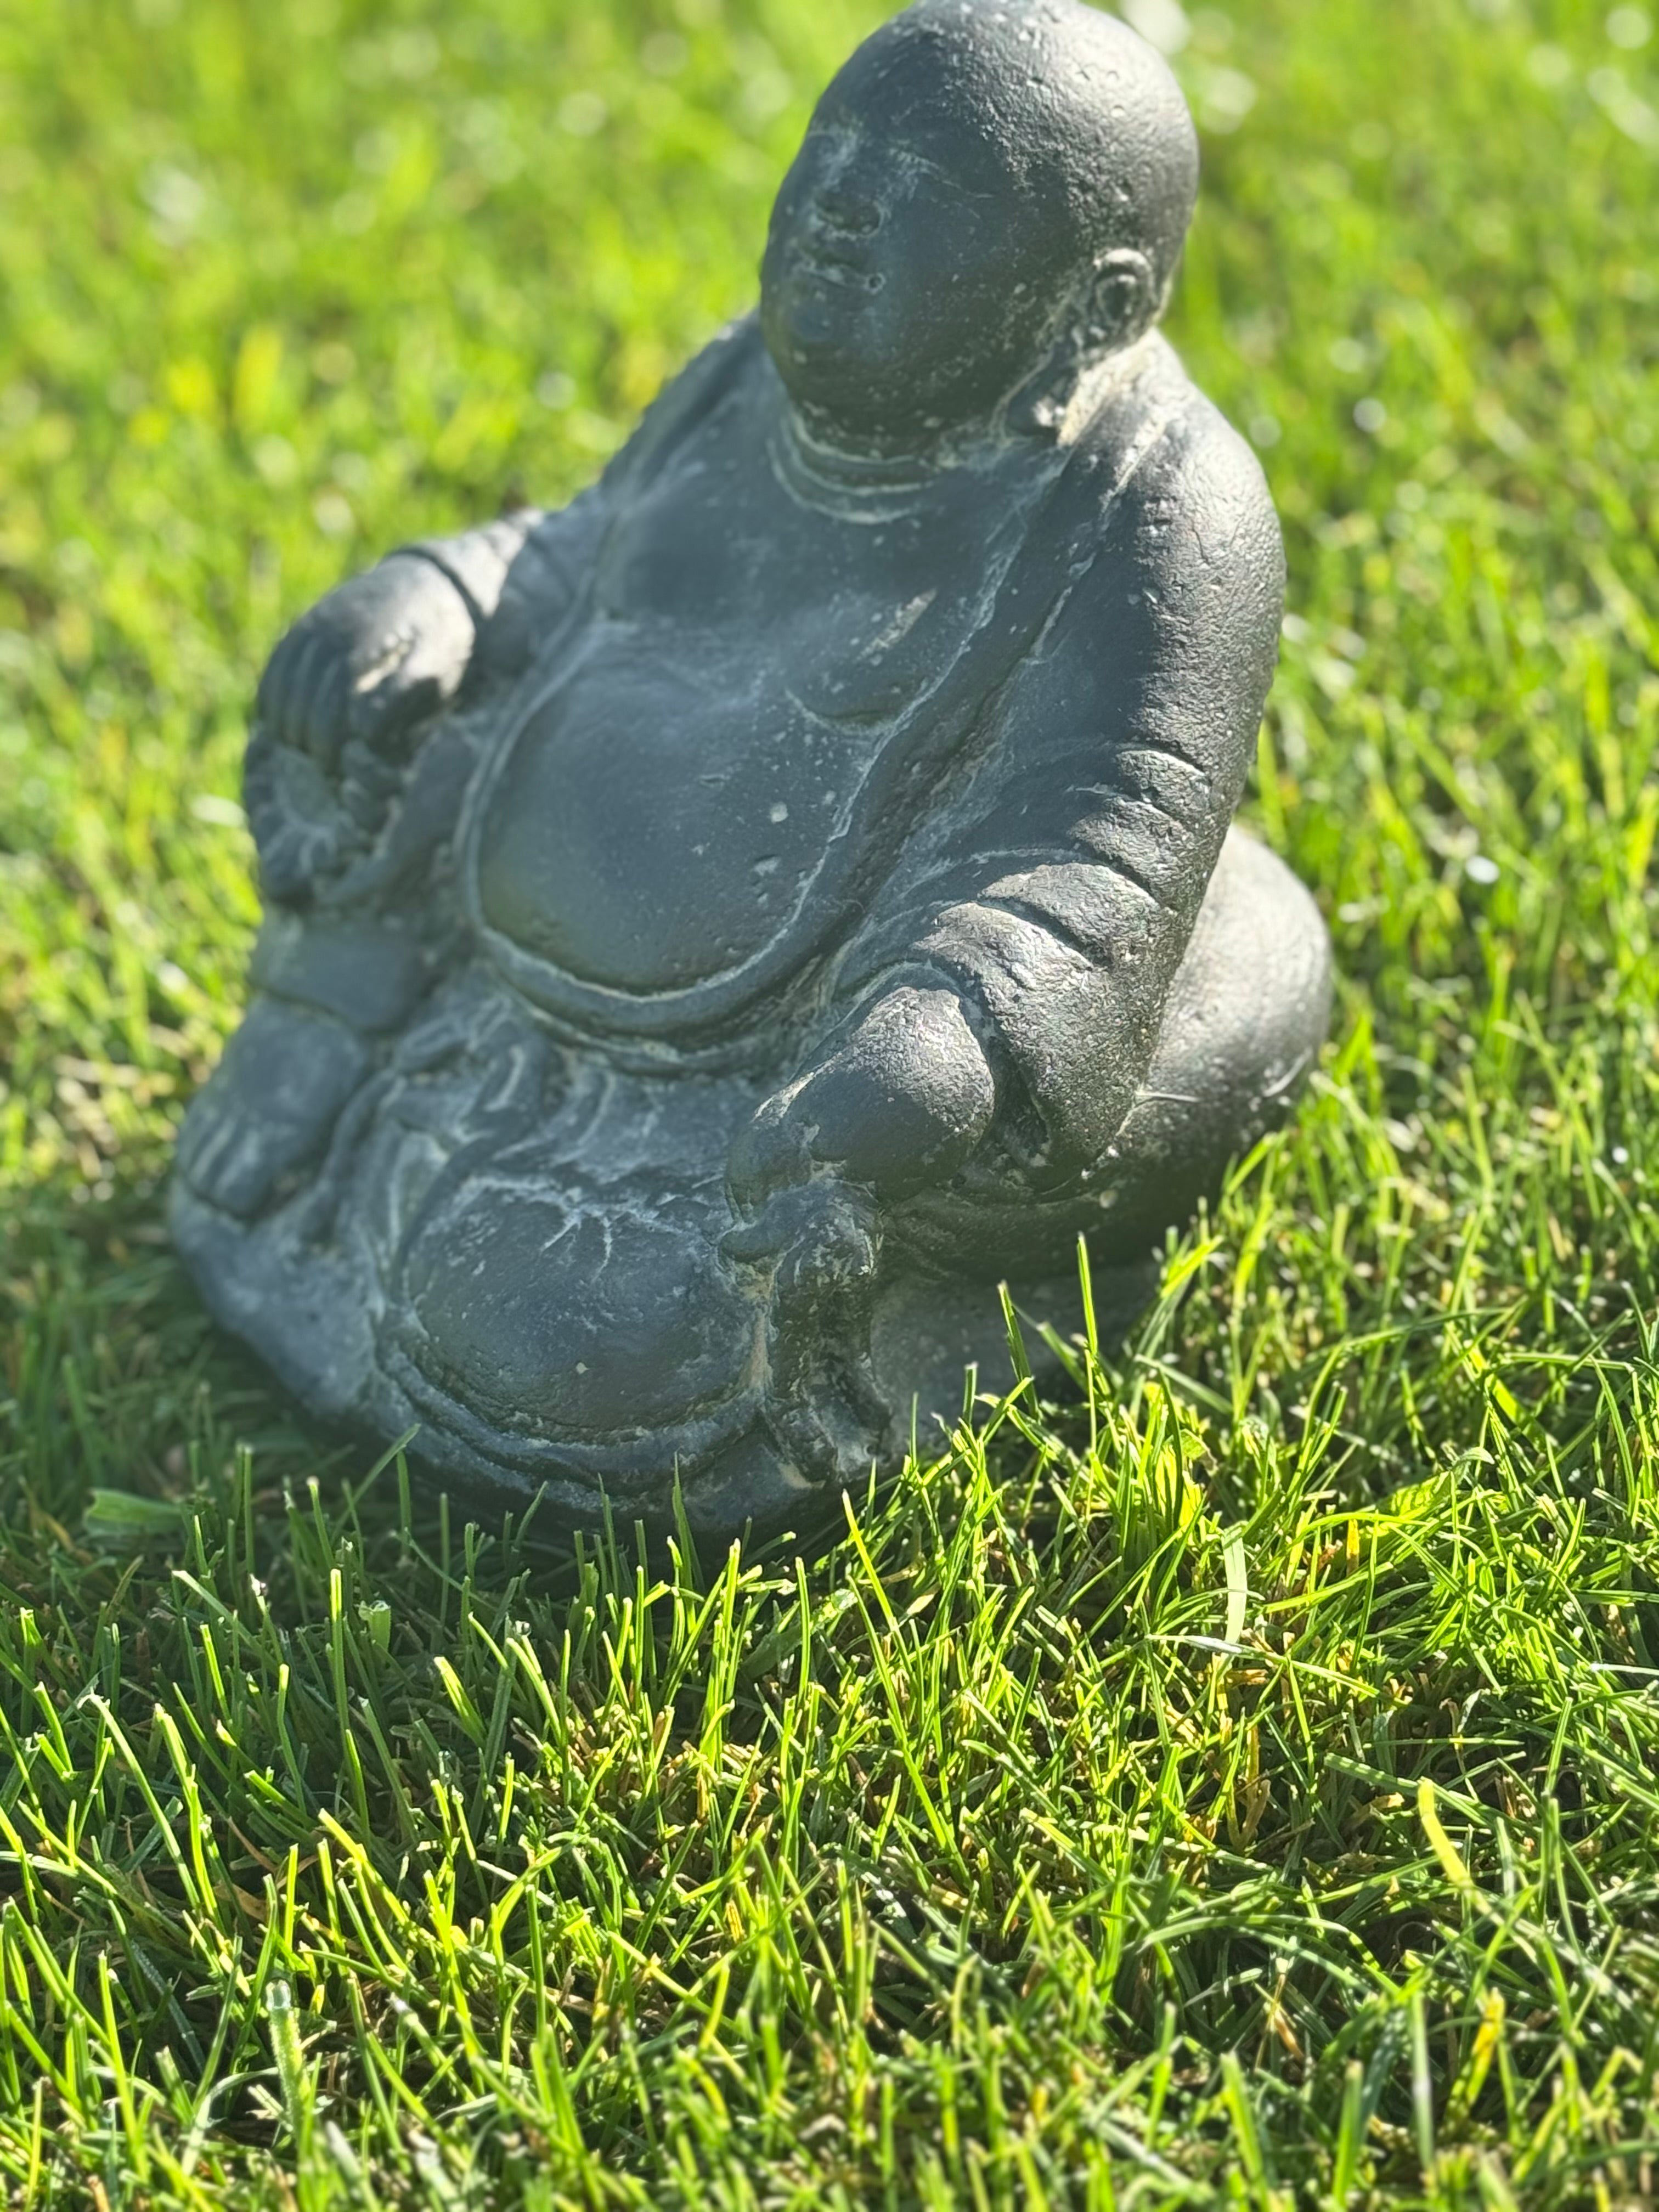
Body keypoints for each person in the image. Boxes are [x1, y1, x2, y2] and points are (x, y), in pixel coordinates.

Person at [173, 0, 1330, 1534]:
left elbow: (1093, 853)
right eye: (829, 153)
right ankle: (344, 1023)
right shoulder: (741, 384)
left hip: (818, 1058)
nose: (839, 206)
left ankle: (611, 1233)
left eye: (924, 187)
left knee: (570, 1338)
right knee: (404, 738)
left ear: (1091, 303)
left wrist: (942, 1047)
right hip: (531, 934)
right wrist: (435, 599)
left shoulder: (1159, 511)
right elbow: (577, 557)